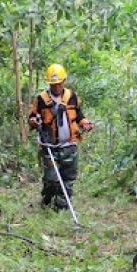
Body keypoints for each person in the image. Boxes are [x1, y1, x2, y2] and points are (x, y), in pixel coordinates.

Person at [28, 63, 94, 211]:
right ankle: (47, 197)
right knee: (51, 178)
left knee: (68, 178)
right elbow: (32, 117)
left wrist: (85, 124)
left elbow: (79, 115)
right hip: (50, 146)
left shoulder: (72, 97)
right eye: (53, 84)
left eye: (59, 83)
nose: (56, 87)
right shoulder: (41, 100)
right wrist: (33, 122)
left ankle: (61, 207)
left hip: (69, 145)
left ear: (64, 81)